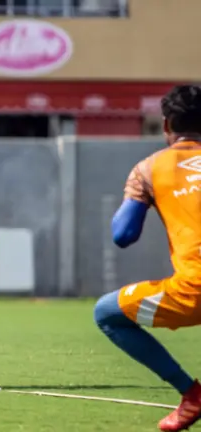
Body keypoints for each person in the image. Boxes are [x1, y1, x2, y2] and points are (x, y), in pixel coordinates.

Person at [94, 84, 201, 432]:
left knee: (108, 314)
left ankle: (192, 394)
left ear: (166, 124)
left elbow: (122, 236)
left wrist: (139, 192)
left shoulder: (149, 169)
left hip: (193, 292)